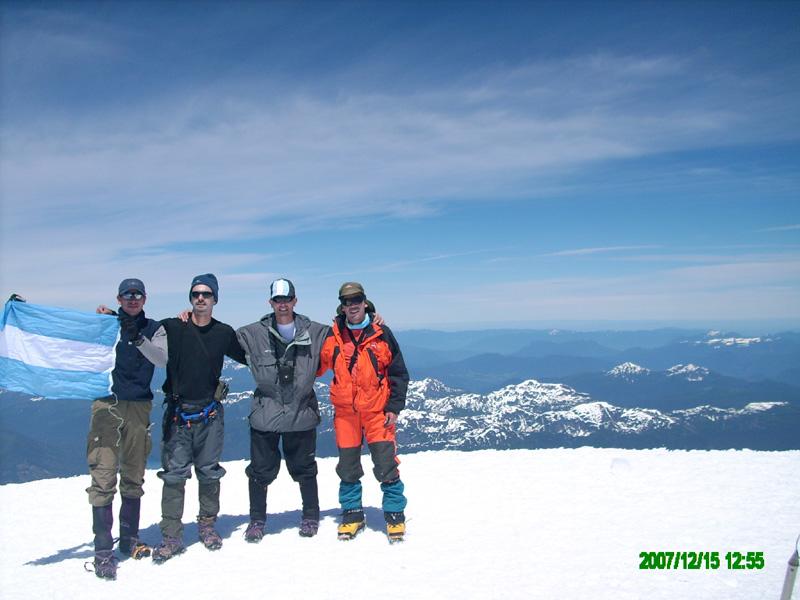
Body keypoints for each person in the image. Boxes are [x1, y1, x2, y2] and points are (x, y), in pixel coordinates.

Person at [151, 273, 246, 563]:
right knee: (174, 476)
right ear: (190, 298)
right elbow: (137, 328)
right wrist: (111, 316)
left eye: (206, 294)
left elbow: (252, 354)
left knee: (208, 472)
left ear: (215, 298)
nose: (201, 298)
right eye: (196, 294)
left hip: (210, 414)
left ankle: (207, 526)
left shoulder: (223, 333)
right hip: (179, 415)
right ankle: (171, 536)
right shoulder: (173, 327)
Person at [235, 278, 330, 541]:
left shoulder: (317, 331)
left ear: (295, 301)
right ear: (271, 302)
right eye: (278, 300)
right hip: (267, 415)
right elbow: (216, 337)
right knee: (260, 471)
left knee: (305, 467)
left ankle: (310, 516)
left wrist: (371, 314)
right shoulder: (251, 334)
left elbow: (348, 331)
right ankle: (257, 520)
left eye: (287, 299)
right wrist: (187, 319)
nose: (283, 305)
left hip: (301, 415)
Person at [317, 282, 410, 543]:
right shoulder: (333, 336)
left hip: (377, 412)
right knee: (347, 467)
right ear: (342, 306)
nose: (352, 305)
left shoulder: (382, 333)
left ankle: (394, 516)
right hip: (346, 414)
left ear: (364, 301)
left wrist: (394, 407)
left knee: (386, 465)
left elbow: (399, 373)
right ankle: (352, 514)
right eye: (347, 301)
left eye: (356, 299)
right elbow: (316, 366)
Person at [89, 278, 168, 580]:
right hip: (106, 404)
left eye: (137, 295)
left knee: (134, 473)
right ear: (119, 298)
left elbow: (160, 360)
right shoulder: (106, 325)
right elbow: (75, 341)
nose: (132, 300)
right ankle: (102, 551)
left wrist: (137, 338)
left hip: (138, 406)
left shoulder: (153, 328)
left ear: (145, 299)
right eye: (127, 295)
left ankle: (129, 539)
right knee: (104, 475)